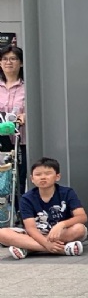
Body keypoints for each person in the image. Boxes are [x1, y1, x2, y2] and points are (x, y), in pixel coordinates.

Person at [1, 157, 87, 258]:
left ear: (57, 176)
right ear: (32, 179)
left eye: (48, 174)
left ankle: (28, 248)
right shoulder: (26, 198)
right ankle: (62, 249)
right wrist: (47, 244)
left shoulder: (67, 192)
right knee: (2, 233)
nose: (43, 177)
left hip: (60, 232)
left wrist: (61, 225)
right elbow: (31, 228)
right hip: (35, 234)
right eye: (38, 174)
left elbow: (82, 217)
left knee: (79, 229)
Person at [0, 44, 27, 190]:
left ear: (21, 63)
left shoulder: (27, 86)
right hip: (1, 140)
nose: (8, 62)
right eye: (4, 59)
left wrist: (26, 116)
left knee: (19, 178)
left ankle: (19, 203)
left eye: (13, 59)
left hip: (21, 140)